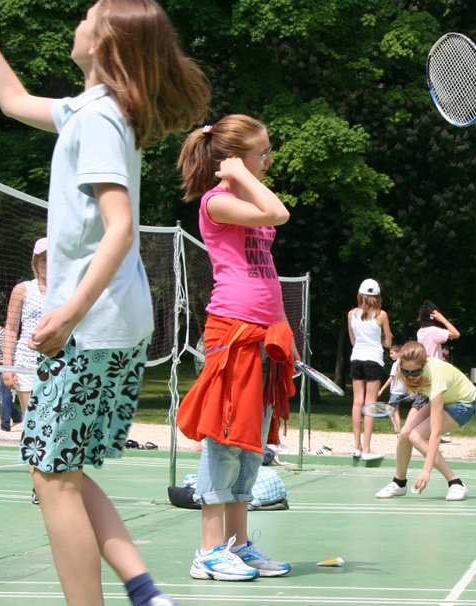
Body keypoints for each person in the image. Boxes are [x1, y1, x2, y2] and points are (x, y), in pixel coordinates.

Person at [0, 0, 209, 603]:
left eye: (86, 17)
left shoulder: (99, 120)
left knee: (52, 475)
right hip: (106, 326)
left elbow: (120, 226)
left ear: (103, 43)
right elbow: (13, 101)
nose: (76, 24)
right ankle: (145, 589)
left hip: (90, 327)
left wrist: (66, 313)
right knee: (58, 468)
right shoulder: (89, 110)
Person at [175, 113, 296, 583]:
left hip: (265, 335)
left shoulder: (247, 198)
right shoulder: (216, 202)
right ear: (234, 160)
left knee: (252, 444)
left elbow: (266, 270)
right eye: (261, 153)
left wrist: (284, 331)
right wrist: (240, 175)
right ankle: (207, 551)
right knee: (225, 440)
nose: (269, 160)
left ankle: (238, 546)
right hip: (231, 332)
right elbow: (279, 213)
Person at [374, 341, 476, 501]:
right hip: (443, 398)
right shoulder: (402, 370)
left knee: (416, 436)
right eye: (406, 372)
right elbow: (421, 397)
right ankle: (399, 483)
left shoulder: (436, 376)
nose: (411, 376)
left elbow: (435, 433)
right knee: (404, 434)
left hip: (464, 404)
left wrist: (426, 470)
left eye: (415, 373)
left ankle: (456, 483)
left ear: (424, 365)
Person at [1, 238, 48, 431]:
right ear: (35, 262)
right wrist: (7, 367)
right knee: (32, 424)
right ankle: (34, 462)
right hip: (26, 362)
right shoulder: (22, 290)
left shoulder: (67, 290)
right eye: (44, 259)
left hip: (57, 362)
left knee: (54, 424)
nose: (49, 264)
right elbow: (11, 329)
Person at [348, 279, 393, 461]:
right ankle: (367, 448)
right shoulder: (381, 315)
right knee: (370, 404)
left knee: (357, 401)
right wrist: (382, 337)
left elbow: (353, 341)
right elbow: (388, 344)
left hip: (356, 357)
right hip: (373, 359)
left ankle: (357, 446)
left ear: (360, 295)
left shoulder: (351, 314)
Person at [377, 343, 406, 433]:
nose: (390, 355)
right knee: (389, 409)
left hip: (396, 391)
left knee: (394, 410)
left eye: (392, 353)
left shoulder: (396, 364)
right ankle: (396, 428)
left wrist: (381, 390)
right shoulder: (404, 364)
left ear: (398, 353)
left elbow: (391, 378)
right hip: (401, 391)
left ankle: (398, 430)